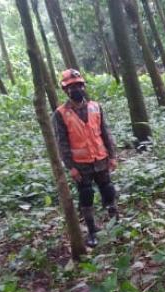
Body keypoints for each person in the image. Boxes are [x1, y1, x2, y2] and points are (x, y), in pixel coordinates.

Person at [52, 69, 118, 247]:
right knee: (86, 195)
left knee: (108, 191)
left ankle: (116, 225)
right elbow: (62, 143)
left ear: (83, 86)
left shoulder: (95, 107)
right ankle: (92, 232)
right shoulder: (60, 114)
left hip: (101, 159)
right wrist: (70, 167)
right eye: (71, 87)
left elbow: (105, 132)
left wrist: (112, 156)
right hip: (81, 165)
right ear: (65, 90)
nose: (76, 89)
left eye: (78, 85)